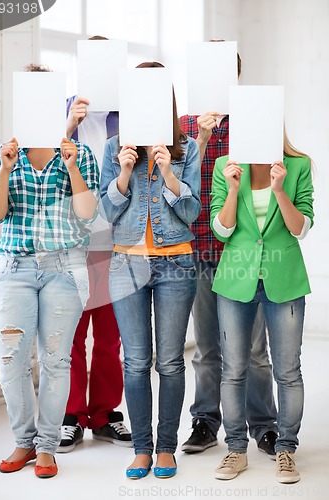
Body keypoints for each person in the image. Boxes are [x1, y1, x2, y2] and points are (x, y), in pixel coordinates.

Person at [100, 61, 201, 479]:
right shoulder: (112, 148)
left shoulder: (187, 148)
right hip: (126, 263)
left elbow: (193, 212)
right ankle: (142, 448)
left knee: (171, 362)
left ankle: (165, 448)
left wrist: (167, 173)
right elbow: (107, 211)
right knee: (136, 361)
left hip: (176, 262)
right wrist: (125, 172)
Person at [179, 43, 278, 459]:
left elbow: (267, 182)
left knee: (255, 350)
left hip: (242, 255)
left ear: (235, 77)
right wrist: (199, 136)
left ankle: (265, 425)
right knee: (206, 348)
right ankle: (205, 421)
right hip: (201, 248)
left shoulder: (253, 120)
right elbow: (181, 184)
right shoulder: (182, 125)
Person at [0, 128, 99, 478]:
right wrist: (5, 169)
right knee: (11, 362)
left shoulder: (79, 153)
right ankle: (24, 441)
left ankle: (47, 446)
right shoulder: (4, 154)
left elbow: (89, 214)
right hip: (14, 267)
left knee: (55, 360)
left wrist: (73, 167)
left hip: (64, 267)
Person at [211, 132, 314, 483]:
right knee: (234, 368)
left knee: (287, 370)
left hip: (283, 280)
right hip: (235, 280)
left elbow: (300, 229)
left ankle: (286, 449)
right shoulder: (226, 167)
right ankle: (236, 449)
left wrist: (280, 190)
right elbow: (222, 230)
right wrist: (235, 189)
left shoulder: (297, 166)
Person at [57, 35, 132, 453]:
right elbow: (42, 170)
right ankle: (70, 415)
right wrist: (65, 127)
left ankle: (104, 414)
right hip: (69, 242)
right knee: (70, 333)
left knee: (109, 336)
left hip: (112, 241)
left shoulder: (130, 116)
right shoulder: (63, 109)